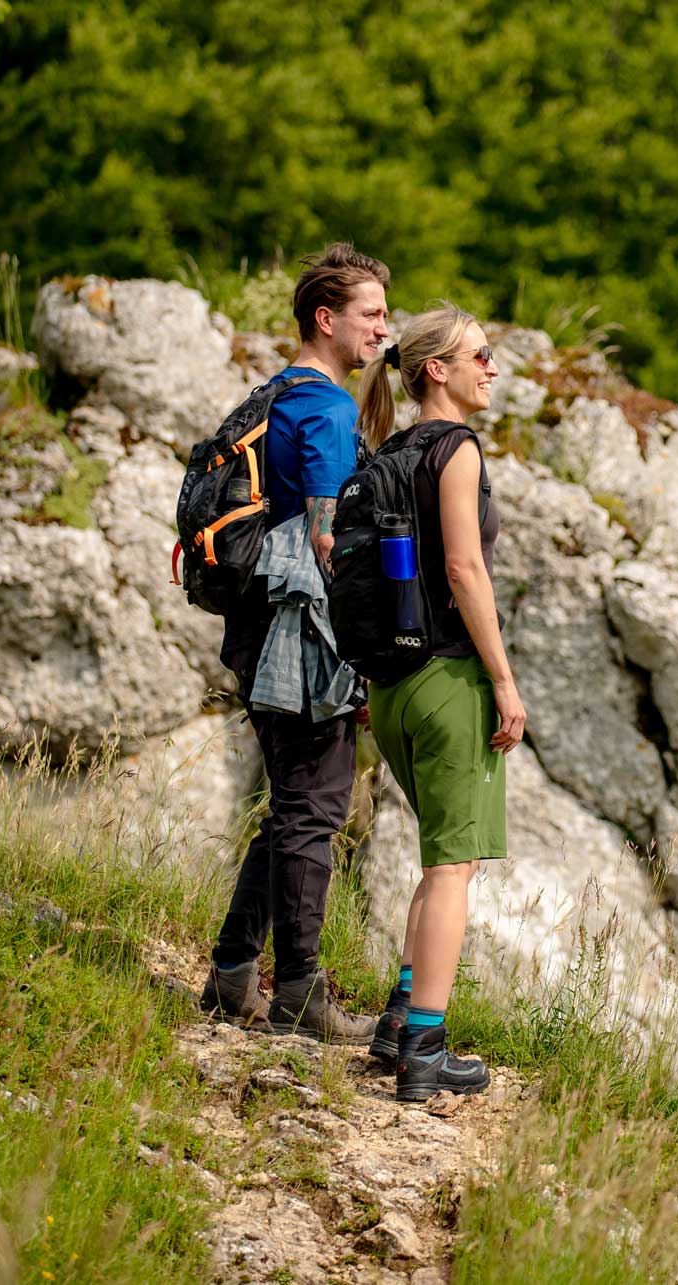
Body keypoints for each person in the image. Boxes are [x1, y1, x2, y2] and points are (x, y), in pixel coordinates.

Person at [199, 243, 392, 1043]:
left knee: (292, 807)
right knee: (315, 806)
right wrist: (372, 645)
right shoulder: (329, 407)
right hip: (301, 633)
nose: (384, 328)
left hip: (255, 624)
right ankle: (299, 994)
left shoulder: (277, 392)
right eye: (371, 314)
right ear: (328, 318)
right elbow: (327, 540)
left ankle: (233, 973)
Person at [354, 304, 526, 1099]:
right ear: (437, 370)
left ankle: (398, 1017)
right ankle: (425, 1047)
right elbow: (464, 570)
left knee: (436, 859)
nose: (492, 368)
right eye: (480, 355)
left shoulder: (391, 451)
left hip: (389, 687)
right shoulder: (454, 449)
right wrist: (502, 679)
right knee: (453, 866)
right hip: (447, 680)